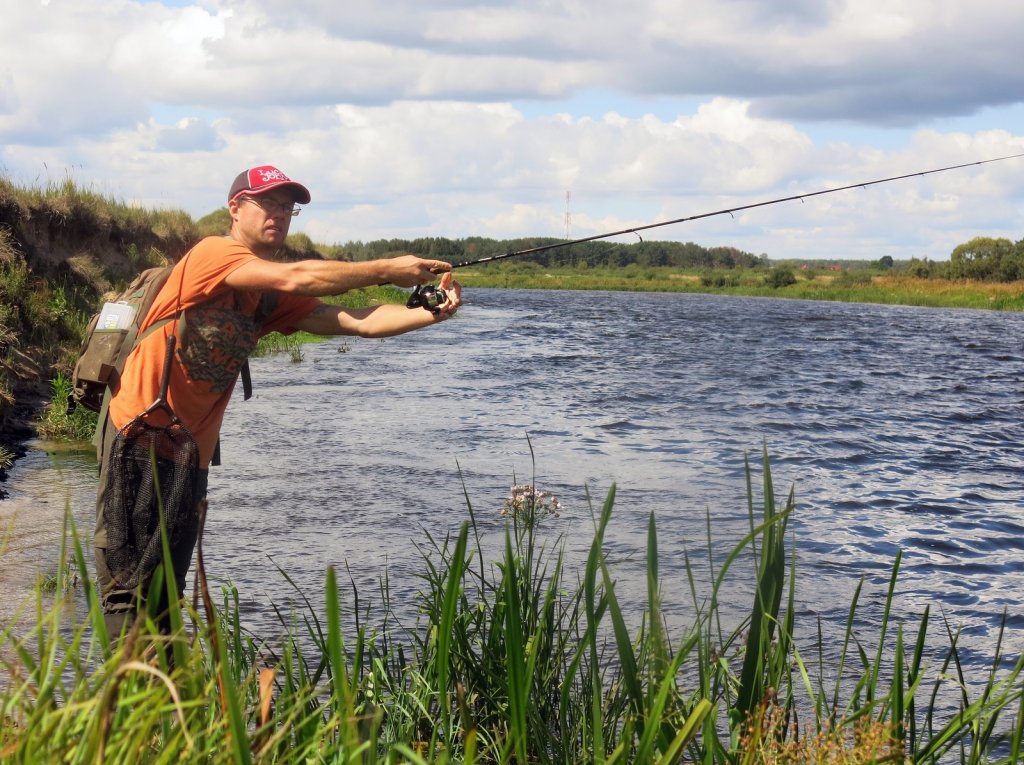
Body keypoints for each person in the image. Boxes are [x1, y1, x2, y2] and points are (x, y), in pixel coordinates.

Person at [94, 165, 461, 635]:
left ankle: (163, 705)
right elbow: (302, 277)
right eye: (267, 202)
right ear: (235, 209)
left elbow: (357, 321)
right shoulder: (214, 253)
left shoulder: (266, 293)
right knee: (129, 591)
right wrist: (388, 269)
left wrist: (430, 315)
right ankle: (119, 706)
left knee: (166, 594)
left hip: (189, 456)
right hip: (137, 437)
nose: (280, 214)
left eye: (288, 206)